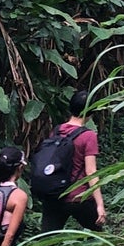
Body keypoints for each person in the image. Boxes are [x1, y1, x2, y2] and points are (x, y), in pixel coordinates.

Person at [34, 88, 106, 232]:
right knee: (98, 237)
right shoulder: (88, 136)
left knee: (46, 239)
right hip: (78, 197)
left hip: (55, 194)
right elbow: (91, 172)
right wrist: (100, 204)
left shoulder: (58, 130)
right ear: (91, 111)